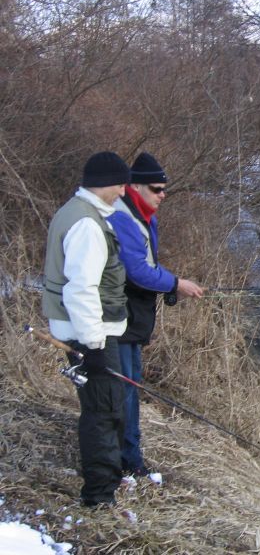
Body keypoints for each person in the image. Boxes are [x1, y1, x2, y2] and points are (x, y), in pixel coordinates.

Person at [42, 151, 131, 507]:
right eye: (120, 185)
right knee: (104, 412)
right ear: (104, 183)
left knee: (103, 408)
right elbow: (81, 289)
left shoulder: (73, 211)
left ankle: (107, 481)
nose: (123, 193)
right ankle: (99, 496)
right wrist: (94, 346)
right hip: (89, 335)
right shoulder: (87, 225)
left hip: (81, 331)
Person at [107, 152, 203, 477]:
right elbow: (136, 271)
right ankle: (127, 463)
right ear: (135, 186)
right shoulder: (123, 217)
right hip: (118, 320)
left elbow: (146, 267)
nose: (163, 195)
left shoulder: (144, 216)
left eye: (164, 189)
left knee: (129, 386)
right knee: (123, 391)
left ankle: (129, 459)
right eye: (157, 189)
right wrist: (175, 283)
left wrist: (172, 286)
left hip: (132, 319)